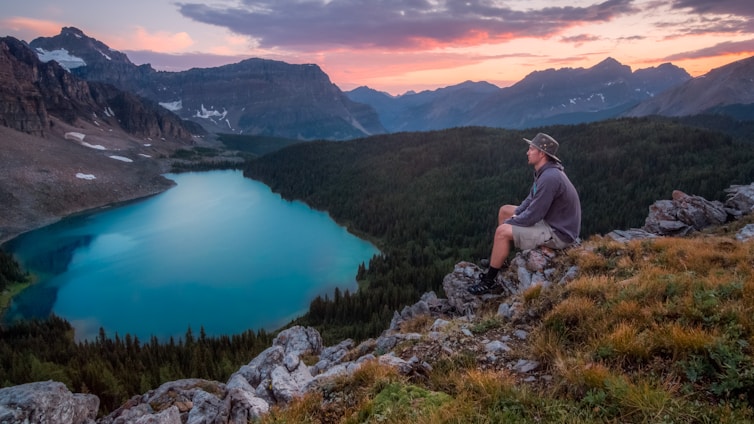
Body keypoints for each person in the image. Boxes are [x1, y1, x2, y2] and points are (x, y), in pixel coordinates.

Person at [468, 132, 581, 295]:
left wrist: (512, 223)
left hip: (559, 233)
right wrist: (515, 216)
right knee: (505, 210)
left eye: (531, 149)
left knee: (501, 232)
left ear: (541, 153)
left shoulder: (550, 178)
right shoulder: (544, 172)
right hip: (552, 221)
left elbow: (534, 215)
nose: (527, 152)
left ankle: (489, 281)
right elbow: (529, 201)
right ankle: (501, 261)